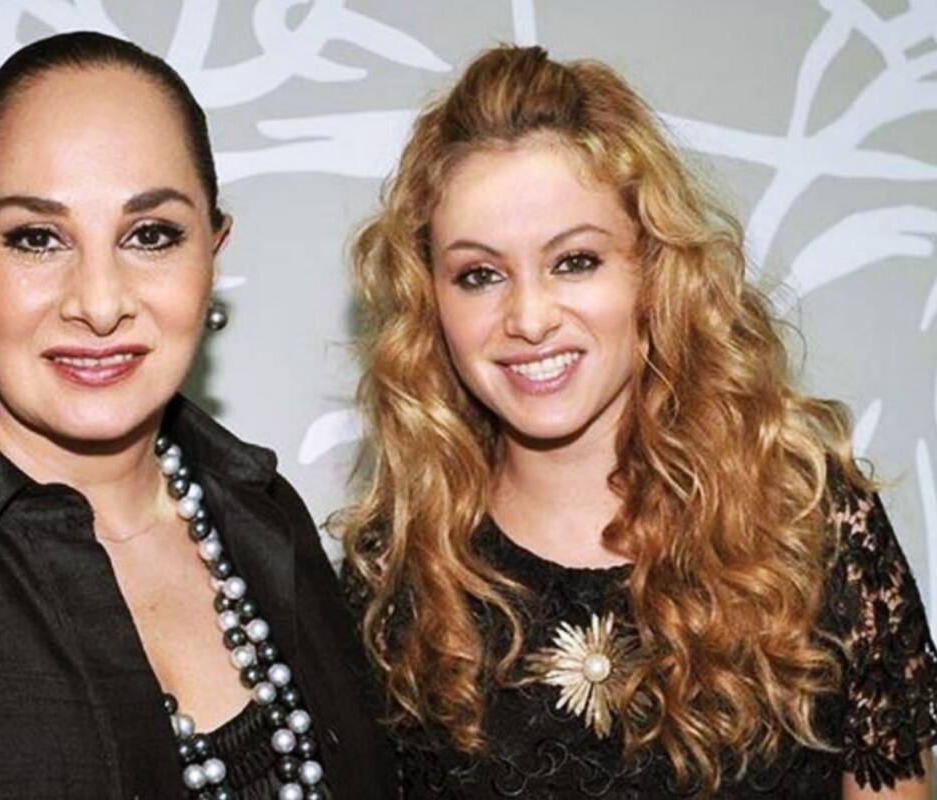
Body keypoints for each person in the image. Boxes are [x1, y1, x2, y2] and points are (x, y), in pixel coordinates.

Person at [0, 31, 395, 799]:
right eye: (37, 239)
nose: (100, 303)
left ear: (212, 257)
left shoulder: (269, 520)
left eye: (151, 236)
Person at [341, 44, 937, 799]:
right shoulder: (395, 574)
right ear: (431, 302)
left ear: (653, 268)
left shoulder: (806, 526)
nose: (529, 317)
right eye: (479, 275)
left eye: (575, 261)